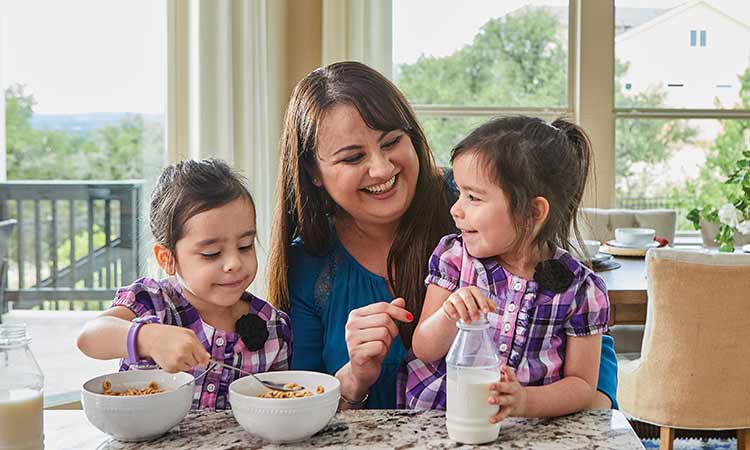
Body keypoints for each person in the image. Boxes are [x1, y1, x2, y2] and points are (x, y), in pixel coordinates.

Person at [268, 61, 617, 410]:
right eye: (353, 157)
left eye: (391, 142)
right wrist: (355, 378)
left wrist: (540, 403)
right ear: (313, 171)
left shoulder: (474, 207)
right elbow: (300, 409)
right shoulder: (309, 265)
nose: (382, 168)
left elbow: (594, 379)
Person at [400, 116, 611, 421]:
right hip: (446, 420)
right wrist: (448, 313)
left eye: (473, 197)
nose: (455, 209)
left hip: (529, 431)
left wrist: (526, 401)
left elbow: (581, 385)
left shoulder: (581, 290)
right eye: (458, 192)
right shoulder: (454, 258)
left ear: (533, 212)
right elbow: (424, 349)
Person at [77, 159, 291, 410]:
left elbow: (281, 405)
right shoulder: (153, 304)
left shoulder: (273, 327)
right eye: (211, 253)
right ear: (167, 258)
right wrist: (148, 339)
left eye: (245, 246)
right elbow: (89, 336)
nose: (234, 263)